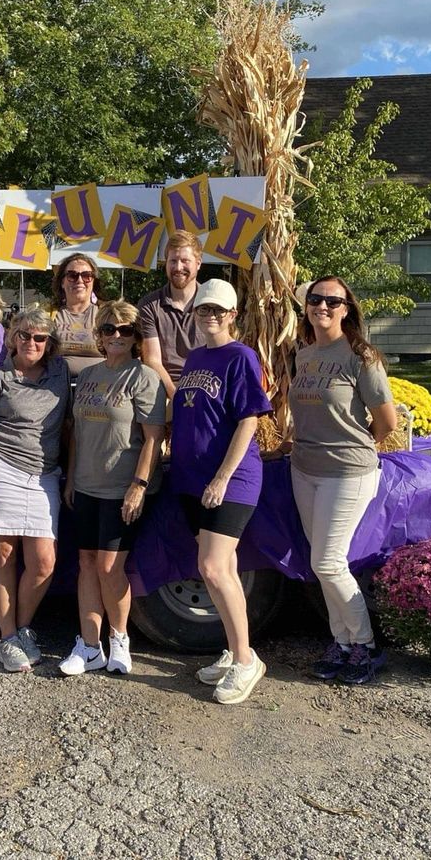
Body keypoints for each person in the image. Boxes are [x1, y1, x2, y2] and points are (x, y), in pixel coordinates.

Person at [287, 275, 397, 686]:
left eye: (332, 301)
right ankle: (343, 643)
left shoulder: (360, 356)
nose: (323, 307)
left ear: (346, 308)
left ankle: (366, 647)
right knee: (324, 564)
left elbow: (385, 421)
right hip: (305, 467)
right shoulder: (305, 354)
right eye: (315, 299)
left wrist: (355, 443)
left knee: (328, 562)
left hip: (347, 471)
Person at [170, 279, 272, 705]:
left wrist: (222, 477)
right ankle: (235, 651)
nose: (210, 316)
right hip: (192, 481)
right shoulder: (196, 358)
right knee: (222, 570)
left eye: (218, 311)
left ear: (232, 315)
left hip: (230, 481)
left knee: (212, 568)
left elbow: (249, 419)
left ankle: (247, 661)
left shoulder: (241, 357)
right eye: (203, 310)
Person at [0, 307, 71, 672]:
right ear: (12, 338)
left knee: (43, 561)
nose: (32, 343)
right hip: (1, 467)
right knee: (4, 555)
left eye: (40, 338)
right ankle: (9, 637)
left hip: (44, 474)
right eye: (24, 335)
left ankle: (22, 629)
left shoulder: (60, 372)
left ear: (49, 343)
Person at [60, 300, 165, 677]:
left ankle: (119, 638)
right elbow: (76, 433)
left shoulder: (144, 377)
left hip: (122, 487)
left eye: (125, 330)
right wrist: (71, 479)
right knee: (87, 563)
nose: (116, 336)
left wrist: (139, 485)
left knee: (109, 566)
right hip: (87, 484)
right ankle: (89, 646)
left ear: (137, 337)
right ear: (99, 335)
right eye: (109, 329)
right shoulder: (88, 376)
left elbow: (154, 438)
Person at [138, 230, 206, 402]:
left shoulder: (211, 302)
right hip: (163, 387)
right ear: (166, 263)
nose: (178, 267)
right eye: (173, 261)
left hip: (206, 384)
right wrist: (177, 396)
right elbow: (152, 360)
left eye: (185, 261)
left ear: (198, 263)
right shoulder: (149, 305)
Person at [49, 253, 102, 375]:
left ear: (93, 281)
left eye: (86, 275)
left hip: (101, 384)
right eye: (72, 276)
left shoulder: (108, 314)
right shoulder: (46, 314)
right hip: (53, 384)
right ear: (62, 282)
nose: (79, 281)